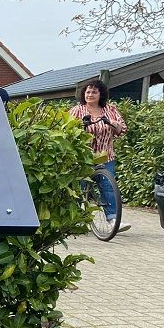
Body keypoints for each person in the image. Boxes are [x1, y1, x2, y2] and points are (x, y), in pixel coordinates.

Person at [69, 78, 130, 232]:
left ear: (101, 94)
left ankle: (113, 219)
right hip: (82, 156)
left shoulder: (110, 110)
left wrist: (112, 123)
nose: (90, 94)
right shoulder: (77, 110)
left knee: (108, 186)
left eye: (94, 92)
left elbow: (122, 129)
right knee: (79, 187)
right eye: (88, 91)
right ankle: (74, 219)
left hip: (105, 155)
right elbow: (66, 130)